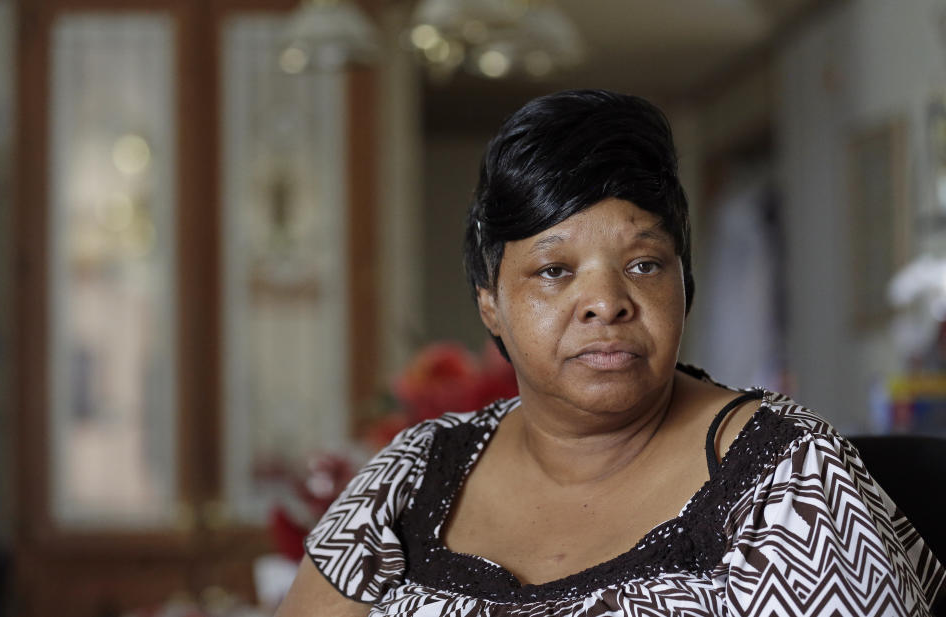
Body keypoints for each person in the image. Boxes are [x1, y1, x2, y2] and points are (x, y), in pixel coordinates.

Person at [276, 90, 944, 616]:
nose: (607, 301)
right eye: (555, 269)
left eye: (646, 263)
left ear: (686, 283)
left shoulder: (792, 477)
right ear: (490, 302)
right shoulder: (411, 473)